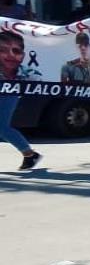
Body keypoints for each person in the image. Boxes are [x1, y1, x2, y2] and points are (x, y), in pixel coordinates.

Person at [0, 31, 43, 169]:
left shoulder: (31, 74)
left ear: (23, 55)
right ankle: (29, 154)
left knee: (2, 127)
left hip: (10, 93)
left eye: (16, 51)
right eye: (2, 50)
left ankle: (29, 154)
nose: (10, 55)